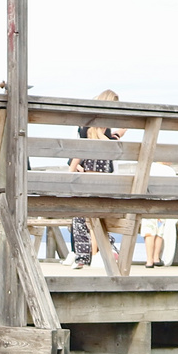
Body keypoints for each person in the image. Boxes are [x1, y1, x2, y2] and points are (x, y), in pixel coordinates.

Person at [68, 90, 124, 269]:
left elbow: (80, 152)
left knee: (91, 217)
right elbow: (79, 152)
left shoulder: (102, 128)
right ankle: (90, 255)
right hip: (94, 175)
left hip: (97, 177)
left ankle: (90, 255)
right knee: (84, 218)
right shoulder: (91, 128)